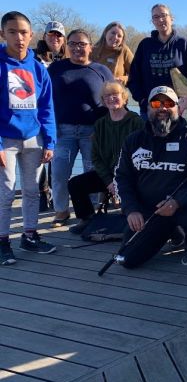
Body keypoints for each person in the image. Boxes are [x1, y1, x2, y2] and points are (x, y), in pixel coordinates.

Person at [114, 85, 187, 267]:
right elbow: (122, 178)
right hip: (148, 212)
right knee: (127, 260)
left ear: (177, 108)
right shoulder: (133, 140)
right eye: (156, 103)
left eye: (168, 103)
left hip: (182, 207)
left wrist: (177, 202)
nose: (162, 107)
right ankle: (172, 232)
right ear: (148, 108)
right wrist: (131, 209)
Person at [0, 11, 57, 264]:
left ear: (31, 35)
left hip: (34, 139)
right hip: (6, 139)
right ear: (3, 34)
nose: (19, 37)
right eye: (12, 32)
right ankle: (3, 241)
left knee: (33, 191)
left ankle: (30, 235)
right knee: (6, 192)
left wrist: (50, 140)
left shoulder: (38, 68)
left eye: (23, 32)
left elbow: (47, 106)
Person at [48, 29, 114, 227]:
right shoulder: (56, 68)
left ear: (90, 47)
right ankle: (61, 211)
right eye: (73, 44)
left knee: (91, 173)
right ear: (67, 47)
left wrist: (104, 129)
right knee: (59, 173)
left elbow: (112, 98)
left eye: (82, 44)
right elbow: (45, 100)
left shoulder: (101, 70)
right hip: (63, 131)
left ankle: (90, 213)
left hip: (92, 132)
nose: (77, 48)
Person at [67, 81, 144, 233]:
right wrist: (109, 181)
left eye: (115, 95)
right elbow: (96, 157)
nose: (111, 99)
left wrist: (121, 180)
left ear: (124, 98)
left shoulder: (136, 122)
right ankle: (87, 218)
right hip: (108, 176)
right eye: (107, 96)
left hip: (132, 176)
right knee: (75, 184)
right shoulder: (100, 124)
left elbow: (143, 155)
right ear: (103, 101)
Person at [127, 3, 187, 117]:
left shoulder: (183, 44)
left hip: (178, 109)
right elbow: (134, 76)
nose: (160, 19)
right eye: (156, 17)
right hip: (150, 109)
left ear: (171, 18)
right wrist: (141, 100)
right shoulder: (145, 45)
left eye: (164, 15)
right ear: (153, 21)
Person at [35, 21, 67, 210]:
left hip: (61, 115)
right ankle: (42, 192)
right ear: (45, 36)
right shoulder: (34, 57)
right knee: (40, 155)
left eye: (58, 35)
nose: (55, 38)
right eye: (51, 35)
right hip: (40, 115)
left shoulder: (68, 59)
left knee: (56, 157)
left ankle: (56, 195)